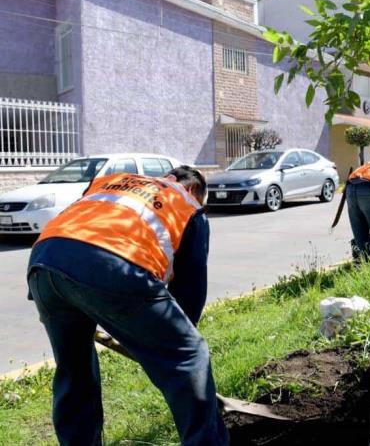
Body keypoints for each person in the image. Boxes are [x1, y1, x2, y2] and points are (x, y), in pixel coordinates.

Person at [27, 166, 228, 445]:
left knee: (75, 370)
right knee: (190, 356)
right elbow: (189, 291)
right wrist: (172, 347)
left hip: (44, 264)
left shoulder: (113, 181)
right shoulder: (187, 203)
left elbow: (84, 225)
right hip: (114, 265)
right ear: (195, 190)